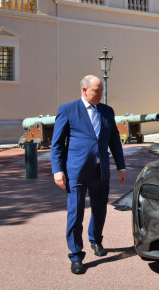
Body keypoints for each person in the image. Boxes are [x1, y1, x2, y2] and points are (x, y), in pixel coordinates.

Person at [51, 75, 127, 275]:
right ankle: (76, 255)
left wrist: (121, 166)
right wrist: (58, 170)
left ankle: (96, 240)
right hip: (76, 171)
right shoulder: (67, 110)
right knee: (76, 213)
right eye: (96, 91)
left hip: (100, 170)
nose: (100, 94)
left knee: (100, 209)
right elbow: (57, 144)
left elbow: (114, 141)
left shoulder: (107, 111)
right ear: (84, 90)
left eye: (102, 90)